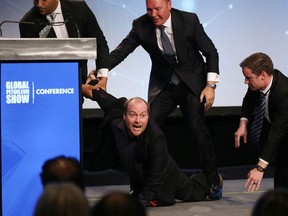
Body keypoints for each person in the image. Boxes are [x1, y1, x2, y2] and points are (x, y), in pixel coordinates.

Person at [88, 0, 222, 200]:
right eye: (149, 9)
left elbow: (211, 52)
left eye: (157, 9)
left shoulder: (189, 20)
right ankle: (138, 185)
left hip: (192, 83)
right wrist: (100, 75)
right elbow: (120, 52)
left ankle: (213, 181)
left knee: (197, 129)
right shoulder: (140, 25)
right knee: (143, 128)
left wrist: (210, 86)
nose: (153, 14)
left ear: (169, 4)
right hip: (164, 86)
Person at [82, 84, 214, 206]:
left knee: (192, 192)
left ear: (148, 116)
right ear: (124, 115)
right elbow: (101, 96)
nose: (138, 121)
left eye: (142, 115)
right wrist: (81, 85)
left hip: (165, 174)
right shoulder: (117, 114)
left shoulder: (156, 137)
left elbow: (157, 174)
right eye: (133, 115)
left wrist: (143, 199)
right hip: (140, 170)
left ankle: (209, 180)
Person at [19, 0, 109, 86]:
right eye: (35, 0)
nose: (39, 4)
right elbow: (34, 66)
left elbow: (99, 43)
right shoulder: (27, 23)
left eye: (44, 0)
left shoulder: (79, 8)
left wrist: (102, 77)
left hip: (79, 77)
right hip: (48, 85)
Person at [235, 52, 288, 191]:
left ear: (263, 75)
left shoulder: (284, 92)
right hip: (281, 135)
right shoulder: (257, 84)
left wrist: (259, 169)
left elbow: (276, 133)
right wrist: (243, 123)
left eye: (248, 78)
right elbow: (249, 100)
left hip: (282, 132)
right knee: (281, 178)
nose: (245, 81)